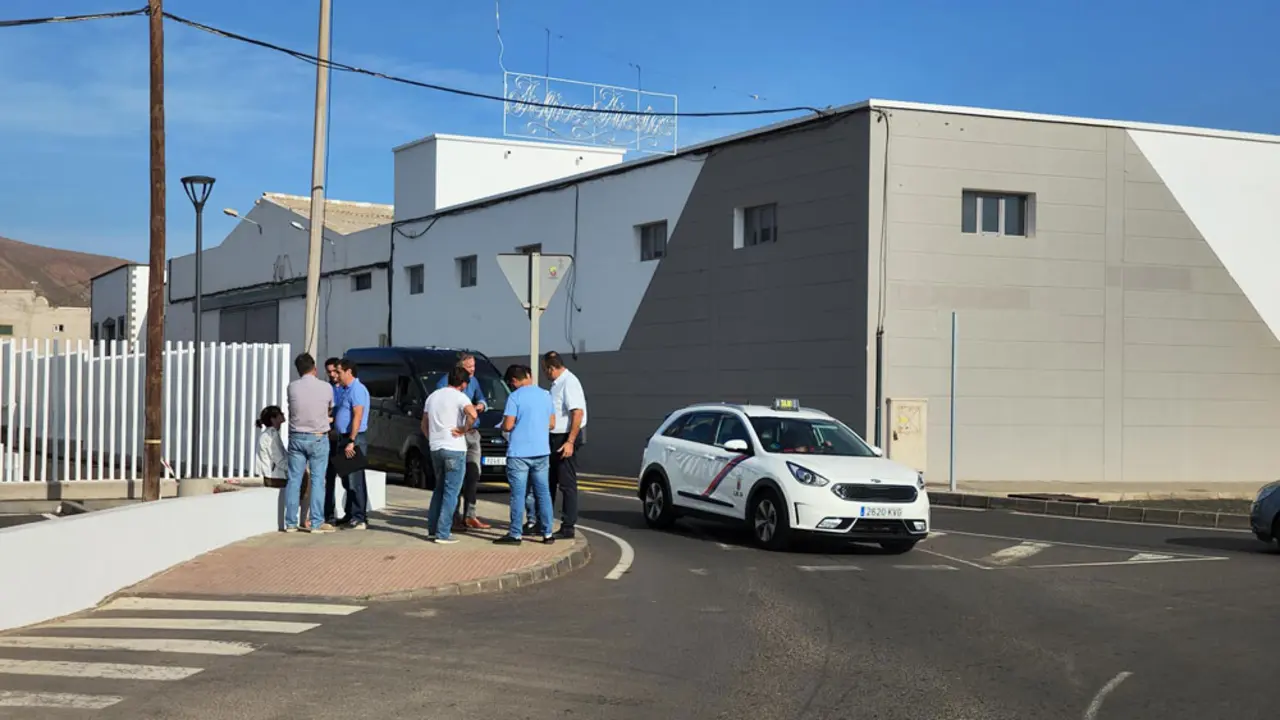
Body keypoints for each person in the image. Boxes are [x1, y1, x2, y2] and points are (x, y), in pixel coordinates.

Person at [494, 364, 556, 545]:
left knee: (518, 495)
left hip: (519, 453)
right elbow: (552, 423)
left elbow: (507, 425)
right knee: (543, 493)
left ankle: (515, 534)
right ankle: (547, 533)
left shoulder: (514, 397)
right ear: (528, 375)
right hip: (542, 451)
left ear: (514, 381)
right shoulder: (546, 395)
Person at [421, 365, 477, 544]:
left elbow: (424, 424)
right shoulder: (461, 397)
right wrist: (463, 429)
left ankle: (432, 529)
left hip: (436, 447)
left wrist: (433, 439)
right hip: (454, 447)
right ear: (462, 383)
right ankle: (443, 532)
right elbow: (473, 414)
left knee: (439, 489)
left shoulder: (432, 396)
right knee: (451, 492)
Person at [435, 352, 490, 531]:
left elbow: (482, 399)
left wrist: (480, 405)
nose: (472, 370)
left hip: (472, 433)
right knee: (455, 478)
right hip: (457, 433)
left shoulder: (474, 381)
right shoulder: (444, 384)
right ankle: (454, 517)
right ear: (459, 368)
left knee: (473, 474)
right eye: (469, 367)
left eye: (474, 366)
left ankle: (470, 515)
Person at [285, 353, 334, 533]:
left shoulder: (292, 387)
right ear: (314, 368)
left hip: (297, 436)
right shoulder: (326, 387)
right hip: (318, 436)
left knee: (294, 480)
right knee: (318, 480)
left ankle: (290, 522)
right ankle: (315, 522)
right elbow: (329, 407)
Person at [542, 350, 587, 539]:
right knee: (549, 481)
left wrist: (569, 441)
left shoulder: (569, 382)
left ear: (551, 368)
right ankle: (544, 522)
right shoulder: (556, 384)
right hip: (555, 437)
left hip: (565, 437)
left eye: (545, 369)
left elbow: (578, 413)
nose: (544, 373)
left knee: (566, 483)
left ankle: (568, 526)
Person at [333, 358, 371, 530]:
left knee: (355, 479)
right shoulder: (345, 390)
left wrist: (352, 440)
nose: (336, 376)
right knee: (347, 480)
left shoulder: (357, 390)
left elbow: (358, 415)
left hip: (353, 438)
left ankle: (359, 517)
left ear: (348, 371)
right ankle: (350, 514)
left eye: (339, 372)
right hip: (344, 437)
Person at [323, 357, 345, 526]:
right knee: (328, 477)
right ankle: (329, 514)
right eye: (329, 372)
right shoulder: (326, 389)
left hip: (343, 437)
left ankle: (351, 512)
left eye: (334, 371)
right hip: (329, 438)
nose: (332, 375)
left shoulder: (347, 389)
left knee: (347, 477)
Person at [255, 405, 287, 488]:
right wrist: (295, 468)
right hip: (276, 478)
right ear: (273, 419)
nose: (283, 414)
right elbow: (278, 458)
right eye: (280, 413)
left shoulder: (268, 433)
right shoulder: (272, 435)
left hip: (273, 476)